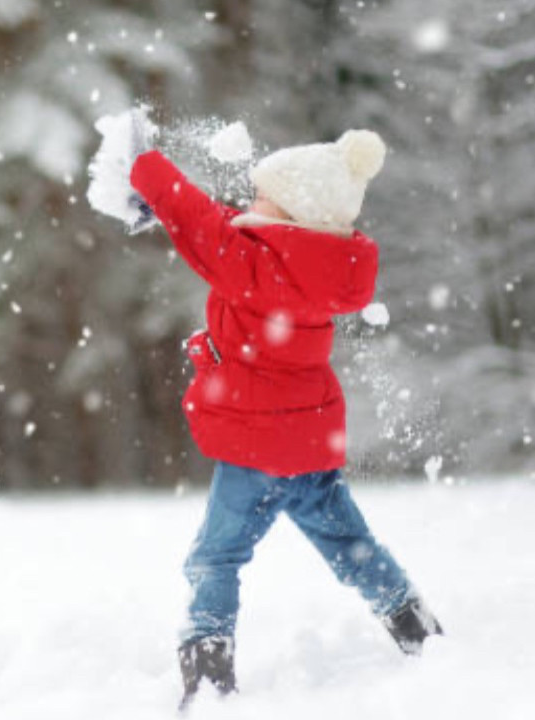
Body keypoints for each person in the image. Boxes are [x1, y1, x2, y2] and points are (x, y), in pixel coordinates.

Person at [119, 114, 443, 709]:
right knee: (350, 545)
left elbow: (202, 223)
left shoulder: (255, 266)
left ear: (292, 216)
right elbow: (223, 226)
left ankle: (208, 670)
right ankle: (414, 624)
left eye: (262, 198)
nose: (249, 203)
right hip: (307, 442)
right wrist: (159, 209)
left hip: (255, 449)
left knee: (215, 557)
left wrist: (146, 166)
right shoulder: (314, 266)